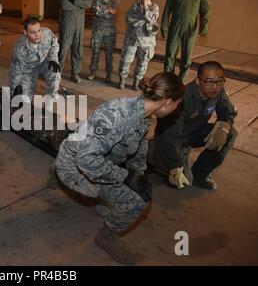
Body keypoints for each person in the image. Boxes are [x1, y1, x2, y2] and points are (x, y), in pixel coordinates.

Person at [55, 72, 184, 265]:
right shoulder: (116, 114)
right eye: (177, 105)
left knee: (132, 188)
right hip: (76, 166)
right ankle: (106, 236)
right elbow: (87, 160)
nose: (176, 110)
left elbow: (139, 148)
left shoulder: (143, 114)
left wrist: (138, 174)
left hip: (94, 161)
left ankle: (73, 182)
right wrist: (125, 176)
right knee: (137, 202)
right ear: (167, 102)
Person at [148, 61, 237, 191]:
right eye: (208, 81)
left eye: (219, 81)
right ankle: (152, 151)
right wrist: (175, 166)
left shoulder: (218, 91)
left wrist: (223, 126)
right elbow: (170, 135)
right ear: (197, 81)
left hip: (194, 133)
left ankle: (201, 173)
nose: (214, 87)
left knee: (230, 134)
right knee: (184, 181)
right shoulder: (183, 98)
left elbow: (227, 112)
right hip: (172, 137)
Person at [161, 0, 210, 80]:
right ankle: (169, 79)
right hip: (175, 27)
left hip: (190, 29)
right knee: (170, 55)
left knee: (186, 58)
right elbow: (167, 9)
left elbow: (206, 10)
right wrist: (164, 26)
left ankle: (181, 81)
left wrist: (204, 27)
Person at [9, 16, 61, 102]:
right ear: (25, 32)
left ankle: (51, 95)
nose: (37, 35)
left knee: (54, 67)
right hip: (28, 71)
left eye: (39, 30)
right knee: (24, 101)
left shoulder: (47, 33)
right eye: (33, 32)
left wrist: (53, 59)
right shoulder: (20, 48)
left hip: (43, 64)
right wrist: (15, 89)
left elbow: (54, 45)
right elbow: (16, 70)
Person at [118, 0, 159, 90]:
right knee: (126, 60)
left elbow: (153, 19)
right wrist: (140, 22)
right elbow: (128, 18)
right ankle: (122, 80)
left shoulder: (154, 7)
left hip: (146, 41)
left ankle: (136, 82)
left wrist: (145, 10)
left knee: (142, 63)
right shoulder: (135, 6)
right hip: (132, 39)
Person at [57, 0, 92, 83]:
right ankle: (57, 73)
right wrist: (80, 5)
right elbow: (64, 5)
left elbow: (89, 3)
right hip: (67, 25)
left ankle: (75, 74)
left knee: (78, 51)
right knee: (62, 50)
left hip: (80, 25)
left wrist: (75, 1)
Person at [88, 0, 119, 83]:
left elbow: (114, 12)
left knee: (109, 54)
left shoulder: (115, 1)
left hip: (109, 32)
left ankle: (108, 74)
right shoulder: (97, 0)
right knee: (95, 52)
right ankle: (93, 72)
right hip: (98, 31)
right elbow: (97, 12)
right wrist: (108, 11)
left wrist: (103, 10)